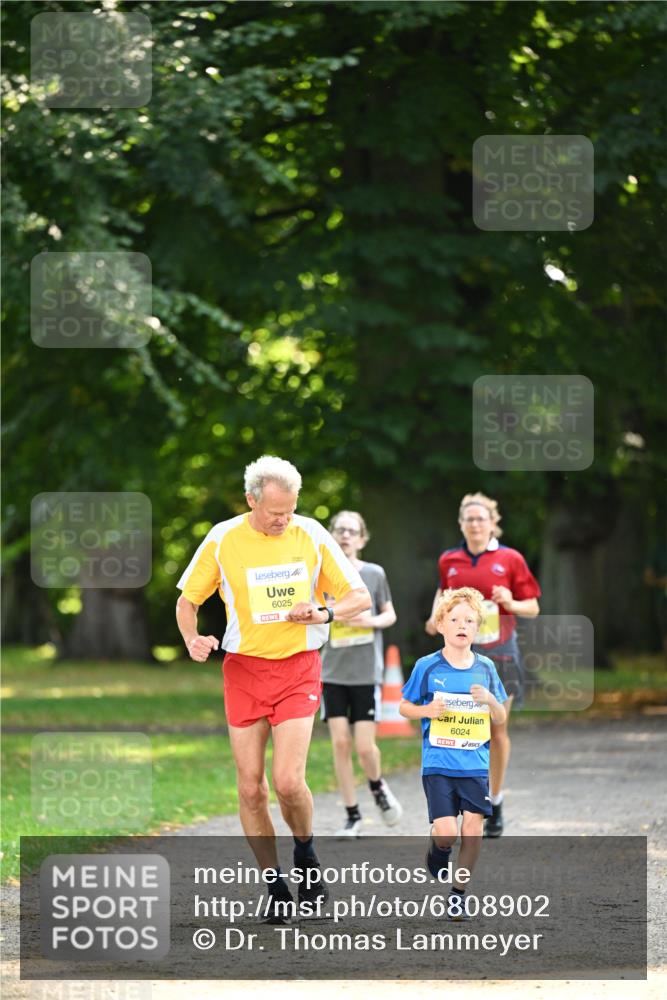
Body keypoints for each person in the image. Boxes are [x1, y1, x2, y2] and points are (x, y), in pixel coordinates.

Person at [175, 455, 371, 921]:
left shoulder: (312, 535)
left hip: (297, 668)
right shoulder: (223, 538)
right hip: (244, 671)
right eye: (274, 512)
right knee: (250, 789)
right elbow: (187, 601)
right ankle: (274, 883)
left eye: (290, 510)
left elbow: (357, 596)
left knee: (287, 780)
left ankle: (305, 853)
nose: (283, 520)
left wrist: (323, 613)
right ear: (251, 500)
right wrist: (192, 638)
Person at [424, 493, 540, 837]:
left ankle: (496, 799)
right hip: (459, 658)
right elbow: (443, 593)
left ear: (493, 522)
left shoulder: (511, 558)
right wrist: (435, 617)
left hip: (500, 653)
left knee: (497, 729)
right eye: (469, 519)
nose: (475, 524)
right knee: (463, 728)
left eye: (481, 518)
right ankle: (469, 799)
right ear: (461, 524)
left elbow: (532, 606)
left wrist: (511, 602)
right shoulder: (450, 559)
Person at [401, 587, 507, 920]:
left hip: (475, 763)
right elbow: (404, 706)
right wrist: (427, 710)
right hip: (439, 763)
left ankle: (458, 894)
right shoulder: (427, 666)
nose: (462, 625)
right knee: (447, 831)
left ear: (478, 628)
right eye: (455, 619)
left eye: (470, 621)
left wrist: (490, 700)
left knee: (473, 829)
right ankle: (438, 848)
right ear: (442, 625)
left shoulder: (487, 668)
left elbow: (501, 718)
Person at [321, 510, 403, 837]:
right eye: (339, 530)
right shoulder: (321, 575)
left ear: (362, 538)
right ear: (331, 535)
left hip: (367, 672)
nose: (345, 536)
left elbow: (389, 616)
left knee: (365, 747)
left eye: (351, 531)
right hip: (332, 672)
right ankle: (352, 815)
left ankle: (377, 786)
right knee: (340, 743)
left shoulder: (374, 574)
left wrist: (365, 622)